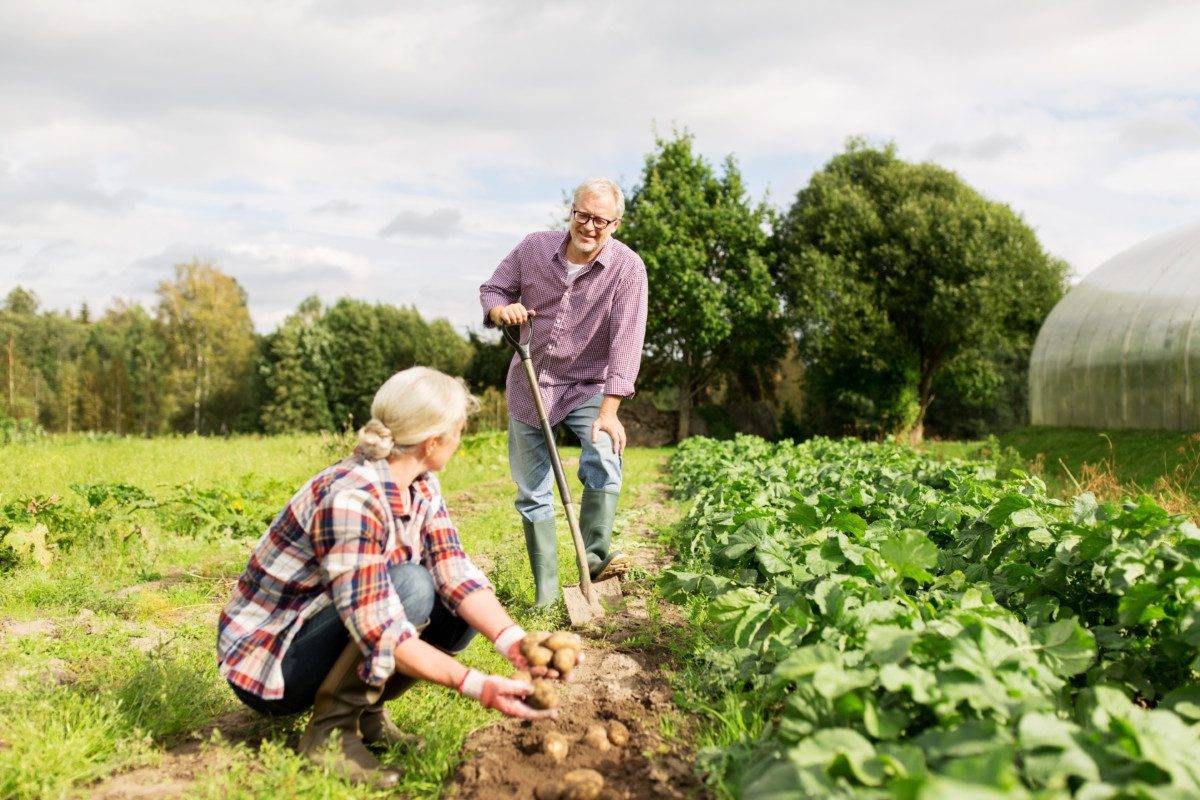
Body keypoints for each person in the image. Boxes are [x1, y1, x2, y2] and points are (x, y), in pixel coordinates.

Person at [217, 367, 576, 789]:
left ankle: (366, 715)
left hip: (334, 626)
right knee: (410, 587)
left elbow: (454, 569)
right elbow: (378, 627)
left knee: (453, 606)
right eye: (459, 431)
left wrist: (515, 642)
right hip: (275, 660)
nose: (460, 441)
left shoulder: (421, 483)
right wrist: (478, 686)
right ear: (433, 441)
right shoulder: (351, 498)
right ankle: (329, 736)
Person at [480, 177, 649, 608]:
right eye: (583, 215)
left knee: (604, 454)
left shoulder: (628, 269)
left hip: (589, 385)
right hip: (529, 382)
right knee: (532, 490)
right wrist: (502, 310)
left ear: (616, 223)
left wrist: (610, 411)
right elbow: (493, 288)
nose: (590, 226)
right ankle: (547, 595)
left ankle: (594, 559)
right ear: (571, 212)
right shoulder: (534, 248)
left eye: (601, 220)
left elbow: (627, 340)